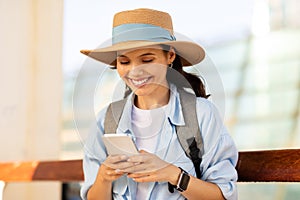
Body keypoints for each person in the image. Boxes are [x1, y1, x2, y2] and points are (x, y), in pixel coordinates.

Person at [80, 8, 238, 200]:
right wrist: (103, 179)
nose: (135, 71)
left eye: (147, 59)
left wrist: (173, 174)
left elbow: (223, 196)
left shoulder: (201, 114)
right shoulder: (106, 120)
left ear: (170, 56)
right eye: (124, 62)